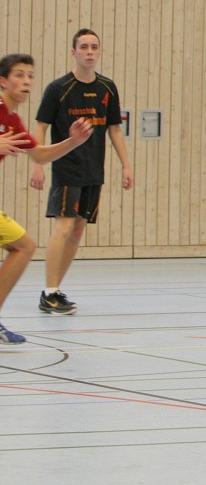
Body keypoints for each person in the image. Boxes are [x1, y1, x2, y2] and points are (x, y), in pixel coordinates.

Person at [30, 29, 133, 314]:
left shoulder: (108, 88)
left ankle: (55, 291)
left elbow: (114, 128)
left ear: (99, 52)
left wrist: (126, 164)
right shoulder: (58, 88)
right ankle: (48, 292)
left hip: (93, 169)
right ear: (73, 52)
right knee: (63, 226)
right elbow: (40, 126)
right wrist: (37, 163)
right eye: (84, 47)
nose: (89, 51)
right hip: (66, 167)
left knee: (77, 230)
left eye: (94, 47)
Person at [0, 54, 92, 342]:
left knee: (24, 245)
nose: (26, 80)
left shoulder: (12, 119)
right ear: (3, 81)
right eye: (19, 75)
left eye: (30, 75)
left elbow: (38, 154)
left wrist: (72, 142)